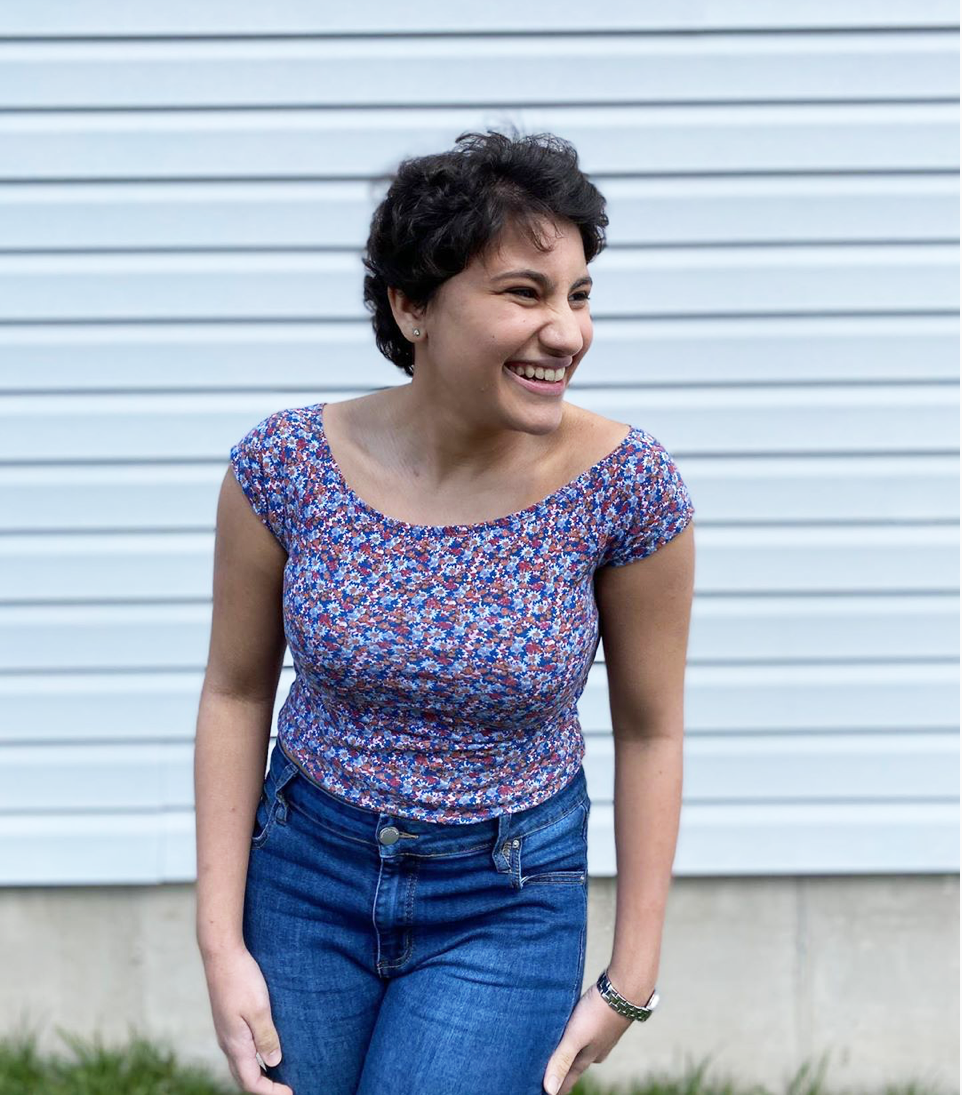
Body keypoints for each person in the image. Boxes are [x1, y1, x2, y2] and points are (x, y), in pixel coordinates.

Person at [194, 128, 696, 1095]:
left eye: (579, 295)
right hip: (305, 878)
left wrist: (632, 975)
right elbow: (235, 691)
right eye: (525, 293)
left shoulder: (628, 487)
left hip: (507, 897)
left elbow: (651, 730)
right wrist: (221, 940)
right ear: (412, 304)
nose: (568, 332)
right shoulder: (284, 467)